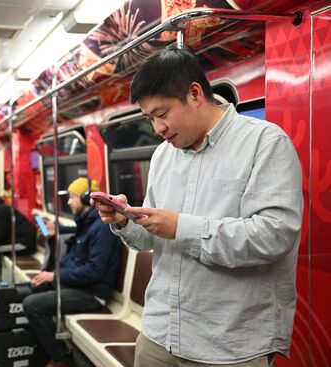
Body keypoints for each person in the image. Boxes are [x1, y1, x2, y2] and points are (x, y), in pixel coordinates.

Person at [93, 44, 303, 367]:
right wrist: (125, 221)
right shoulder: (164, 154)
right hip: (158, 333)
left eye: (162, 114)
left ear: (194, 94)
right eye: (150, 118)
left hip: (227, 345)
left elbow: (274, 236)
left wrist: (181, 227)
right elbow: (152, 237)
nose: (157, 129)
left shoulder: (265, 143)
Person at [22, 178, 121, 367]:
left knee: (32, 305)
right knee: (34, 288)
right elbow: (78, 230)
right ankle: (40, 354)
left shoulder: (102, 229)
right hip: (77, 285)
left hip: (91, 293)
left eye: (72, 197)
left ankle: (61, 357)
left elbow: (94, 271)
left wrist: (55, 276)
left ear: (85, 199)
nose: (68, 202)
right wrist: (54, 228)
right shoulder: (88, 222)